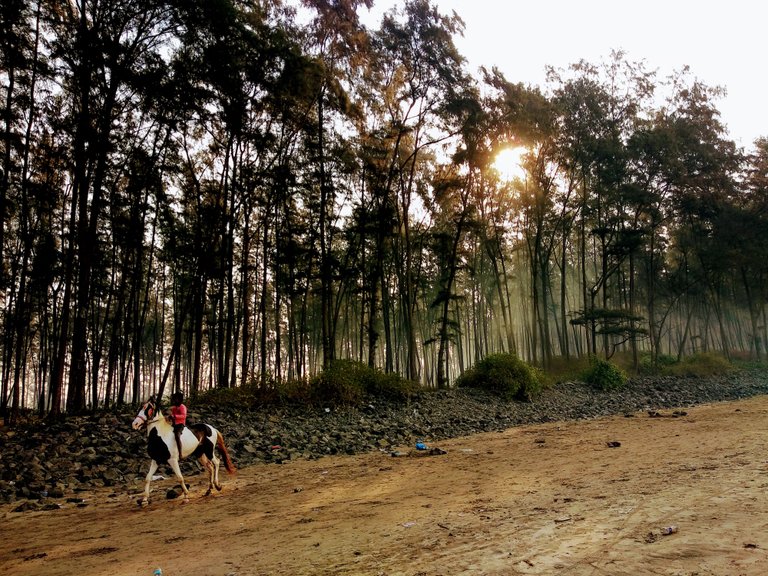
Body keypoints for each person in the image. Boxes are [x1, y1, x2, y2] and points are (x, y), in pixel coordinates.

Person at [169, 391, 187, 459]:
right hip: (174, 424)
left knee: (177, 435)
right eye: (174, 399)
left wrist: (174, 416)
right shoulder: (174, 408)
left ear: (179, 399)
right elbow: (173, 416)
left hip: (180, 424)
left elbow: (184, 416)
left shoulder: (182, 407)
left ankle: (180, 453)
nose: (174, 400)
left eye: (176, 399)